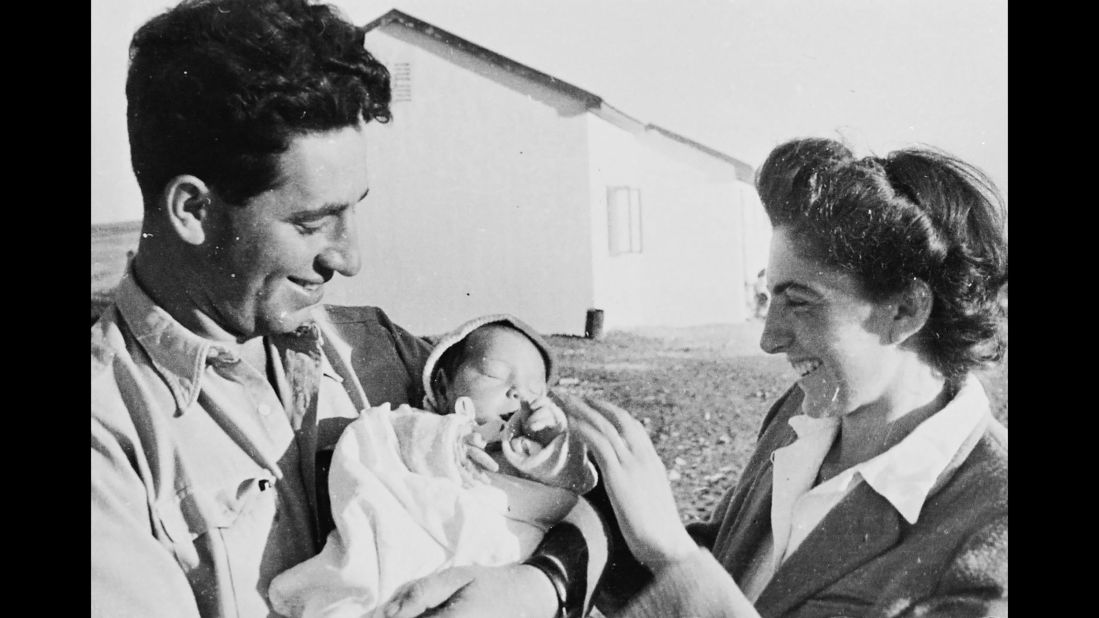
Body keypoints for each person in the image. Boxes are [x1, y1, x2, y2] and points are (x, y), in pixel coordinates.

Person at [90, 1, 606, 616]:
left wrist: (540, 585)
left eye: (354, 206)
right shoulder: (111, 441)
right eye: (313, 222)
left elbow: (599, 511)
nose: (351, 257)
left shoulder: (380, 350)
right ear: (193, 210)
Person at [560, 137, 1008, 617]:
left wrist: (674, 554)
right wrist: (573, 488)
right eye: (771, 296)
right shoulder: (801, 418)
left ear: (905, 310)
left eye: (799, 300)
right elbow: (730, 571)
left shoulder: (992, 525)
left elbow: (689, 568)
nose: (769, 339)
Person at [268, 314, 598, 617]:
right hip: (420, 552)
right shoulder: (425, 424)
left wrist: (552, 444)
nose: (518, 394)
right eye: (495, 374)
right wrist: (450, 442)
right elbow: (388, 438)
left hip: (500, 563)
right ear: (441, 387)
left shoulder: (535, 453)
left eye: (535, 390)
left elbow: (574, 484)